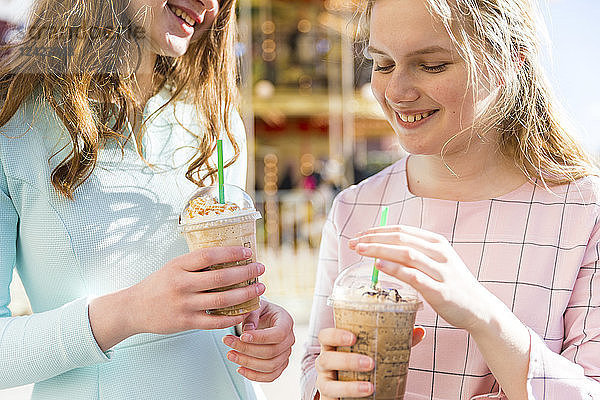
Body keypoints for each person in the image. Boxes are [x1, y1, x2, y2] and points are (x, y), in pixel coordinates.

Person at [301, 0, 600, 399]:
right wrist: (330, 385)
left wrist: (482, 314)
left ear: (511, 61)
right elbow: (314, 366)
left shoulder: (583, 210)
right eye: (383, 64)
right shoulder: (355, 207)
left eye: (432, 65)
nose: (396, 91)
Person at [0, 0, 294, 399]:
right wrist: (130, 311)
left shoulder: (216, 124)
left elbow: (220, 304)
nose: (210, 3)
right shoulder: (13, 129)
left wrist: (258, 327)